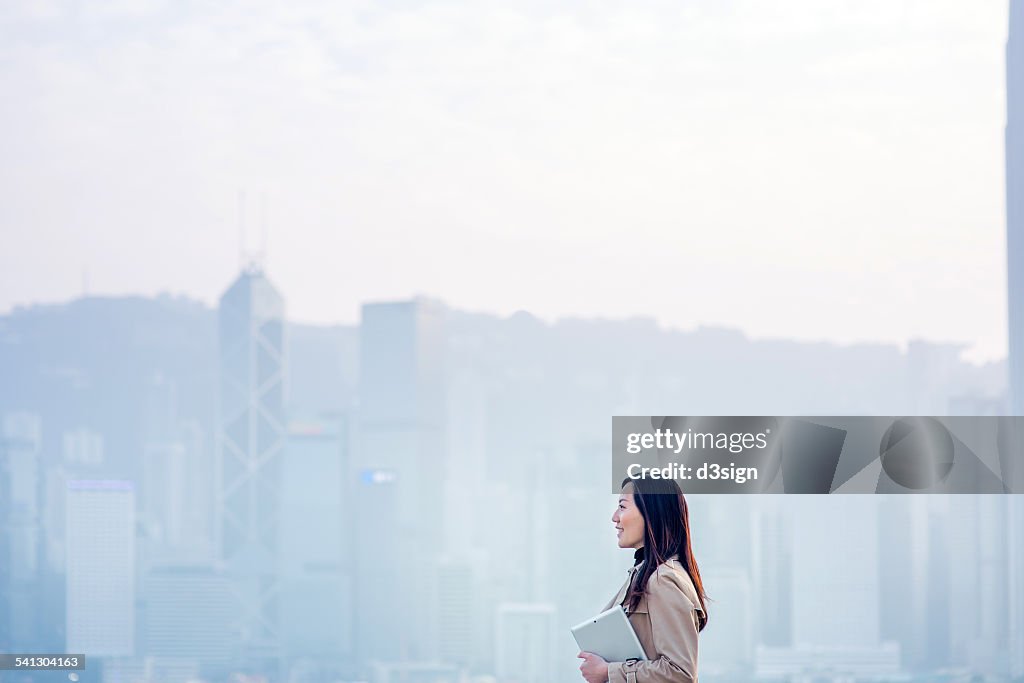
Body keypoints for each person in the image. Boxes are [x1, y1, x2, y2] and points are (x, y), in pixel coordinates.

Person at [578, 477, 709, 683]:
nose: (614, 518)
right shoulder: (645, 573)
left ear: (650, 513)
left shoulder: (663, 580)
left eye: (622, 507)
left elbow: (681, 674)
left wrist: (608, 672)